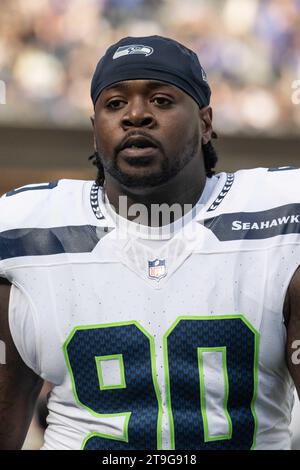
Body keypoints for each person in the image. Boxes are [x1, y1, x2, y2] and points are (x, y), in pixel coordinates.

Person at [0, 35, 299, 450]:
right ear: (94, 130)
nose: (136, 115)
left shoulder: (279, 219)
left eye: (160, 100)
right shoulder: (24, 232)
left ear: (206, 122)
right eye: (115, 103)